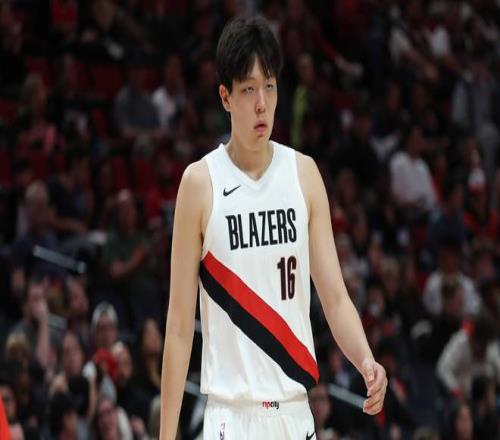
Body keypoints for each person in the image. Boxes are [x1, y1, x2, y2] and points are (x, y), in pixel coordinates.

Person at [160, 15, 387, 440]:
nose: (262, 103)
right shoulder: (200, 183)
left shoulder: (304, 174)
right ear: (225, 97)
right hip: (231, 416)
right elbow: (177, 328)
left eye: (269, 86)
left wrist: (365, 359)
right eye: (248, 89)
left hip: (295, 413)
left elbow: (336, 298)